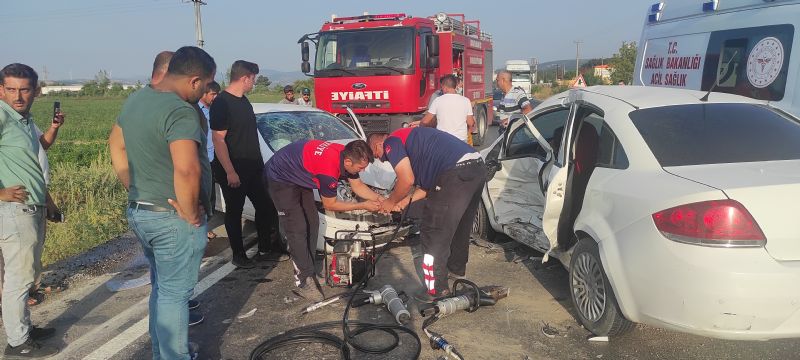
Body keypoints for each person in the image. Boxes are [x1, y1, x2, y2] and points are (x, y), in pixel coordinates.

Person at [109, 46, 215, 360]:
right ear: (194, 81)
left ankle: (164, 352)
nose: (206, 91)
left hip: (142, 211)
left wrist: (134, 186)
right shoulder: (179, 109)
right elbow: (186, 167)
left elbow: (116, 145)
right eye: (207, 84)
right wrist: (189, 208)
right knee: (174, 295)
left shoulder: (137, 99)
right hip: (172, 219)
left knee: (162, 289)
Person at [368, 128, 486, 301]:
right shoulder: (417, 144)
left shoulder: (391, 141)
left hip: (454, 172)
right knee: (460, 226)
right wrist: (401, 203)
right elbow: (426, 187)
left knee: (433, 232)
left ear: (378, 144)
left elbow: (406, 179)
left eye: (375, 154)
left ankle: (436, 290)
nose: (379, 158)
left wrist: (390, 201)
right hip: (476, 167)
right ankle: (456, 273)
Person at [265, 139, 382, 302]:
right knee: (297, 228)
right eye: (361, 168)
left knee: (312, 223)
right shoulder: (328, 170)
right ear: (348, 162)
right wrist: (363, 205)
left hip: (299, 173)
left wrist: (382, 201)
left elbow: (358, 185)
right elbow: (330, 204)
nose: (362, 171)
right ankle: (304, 280)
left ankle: (309, 271)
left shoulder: (349, 154)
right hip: (280, 177)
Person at [0, 63, 59, 358]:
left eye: (24, 89)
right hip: (13, 210)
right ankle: (17, 343)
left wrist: (54, 128)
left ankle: (24, 328)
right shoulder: (1, 115)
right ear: (1, 90)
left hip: (31, 206)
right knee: (19, 277)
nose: (18, 95)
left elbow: (38, 151)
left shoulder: (22, 120)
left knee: (29, 273)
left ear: (35, 91)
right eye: (11, 89)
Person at [211, 60, 284, 269]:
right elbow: (218, 139)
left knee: (265, 206)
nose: (253, 83)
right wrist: (230, 171)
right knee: (235, 211)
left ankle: (264, 249)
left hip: (253, 167)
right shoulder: (222, 103)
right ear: (245, 78)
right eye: (253, 79)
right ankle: (239, 255)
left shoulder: (244, 101)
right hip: (234, 169)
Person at [415, 74, 475, 143]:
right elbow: (470, 123)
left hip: (443, 140)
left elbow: (425, 121)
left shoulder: (438, 100)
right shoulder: (466, 101)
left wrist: (420, 125)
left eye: (441, 87)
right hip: (461, 140)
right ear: (455, 86)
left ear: (444, 87)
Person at [198, 81, 220, 240]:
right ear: (204, 94)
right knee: (202, 197)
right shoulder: (195, 111)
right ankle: (201, 230)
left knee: (211, 197)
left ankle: (205, 226)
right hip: (201, 160)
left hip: (214, 158)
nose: (215, 97)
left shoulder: (214, 110)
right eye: (213, 94)